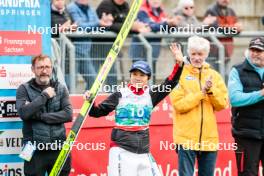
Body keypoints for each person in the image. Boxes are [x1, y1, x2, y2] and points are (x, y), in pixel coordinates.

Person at [84, 43, 184, 176]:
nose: (137, 77)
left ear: (148, 78)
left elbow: (170, 83)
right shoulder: (120, 94)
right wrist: (90, 101)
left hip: (143, 152)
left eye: (142, 75)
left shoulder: (152, 94)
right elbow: (97, 112)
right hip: (121, 150)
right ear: (130, 76)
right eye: (135, 74)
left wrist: (179, 64)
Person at [170, 36, 228, 176]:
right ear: (189, 53)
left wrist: (211, 90)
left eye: (200, 54)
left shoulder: (215, 75)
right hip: (186, 139)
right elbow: (179, 105)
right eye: (194, 53)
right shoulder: (180, 74)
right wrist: (201, 93)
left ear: (206, 55)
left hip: (209, 139)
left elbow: (222, 104)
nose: (196, 58)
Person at [16, 55, 73, 176]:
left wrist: (40, 116)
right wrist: (44, 96)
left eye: (47, 67)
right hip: (32, 148)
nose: (44, 71)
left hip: (58, 146)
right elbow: (24, 113)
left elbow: (68, 115)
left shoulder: (61, 88)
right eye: (40, 67)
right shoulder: (23, 89)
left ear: (51, 68)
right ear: (33, 69)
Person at [228, 37, 264, 176]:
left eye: (259, 50)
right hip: (246, 135)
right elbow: (235, 99)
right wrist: (261, 94)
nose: (255, 53)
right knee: (247, 174)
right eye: (252, 50)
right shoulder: (237, 70)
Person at [129, 0, 181, 83]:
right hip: (140, 52)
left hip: (152, 52)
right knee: (138, 80)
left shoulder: (160, 11)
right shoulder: (142, 10)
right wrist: (166, 23)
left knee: (150, 80)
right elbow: (149, 25)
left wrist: (172, 24)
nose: (156, 0)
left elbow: (162, 28)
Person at [67, 0, 113, 89]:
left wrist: (104, 23)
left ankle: (87, 101)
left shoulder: (90, 9)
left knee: (93, 81)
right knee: (70, 84)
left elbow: (95, 26)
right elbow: (80, 26)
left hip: (85, 52)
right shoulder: (71, 8)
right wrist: (98, 23)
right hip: (73, 51)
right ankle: (68, 103)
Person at [204, 0, 242, 71]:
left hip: (227, 52)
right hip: (214, 53)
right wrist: (234, 28)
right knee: (213, 76)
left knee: (225, 76)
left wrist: (238, 28)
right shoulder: (211, 10)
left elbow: (238, 28)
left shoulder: (231, 11)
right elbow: (215, 28)